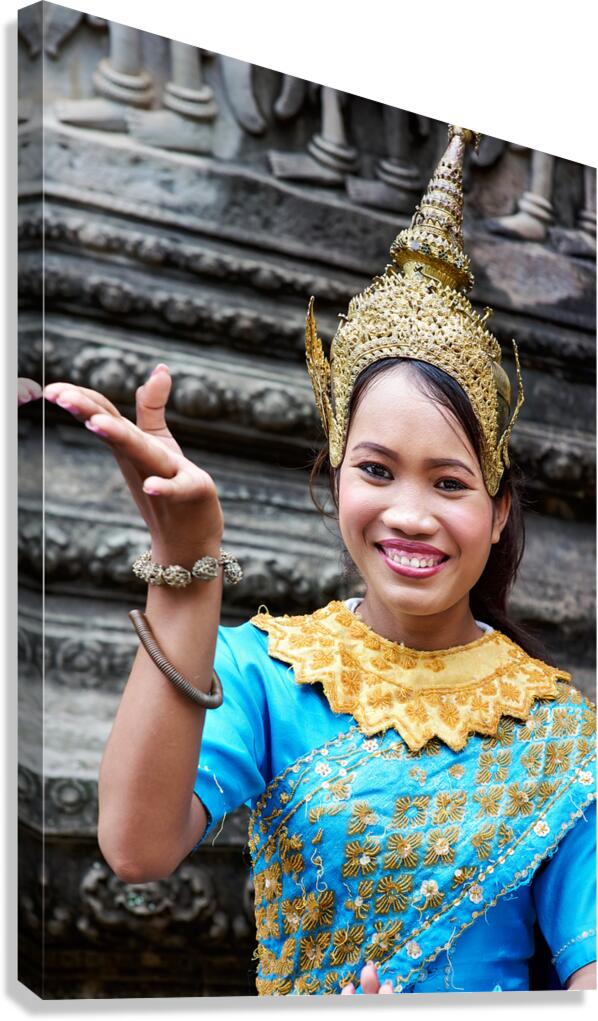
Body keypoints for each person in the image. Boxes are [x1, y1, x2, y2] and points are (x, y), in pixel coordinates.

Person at [42, 126, 596, 996]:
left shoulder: (563, 733)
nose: (410, 514)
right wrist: (185, 563)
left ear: (496, 513)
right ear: (333, 478)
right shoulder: (266, 672)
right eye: (376, 470)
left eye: (449, 482)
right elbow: (135, 844)